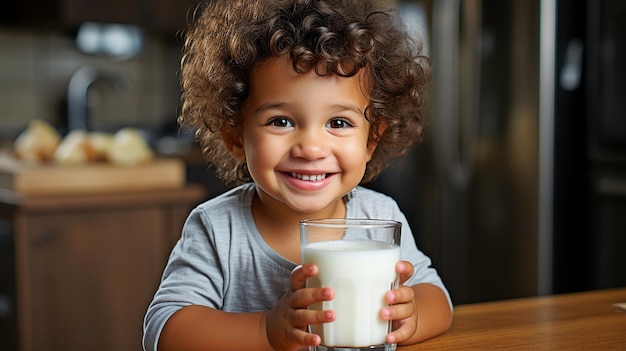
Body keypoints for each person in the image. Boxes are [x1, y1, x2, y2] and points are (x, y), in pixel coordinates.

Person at [143, 0, 453, 350]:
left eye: (338, 123)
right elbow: (165, 331)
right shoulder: (218, 229)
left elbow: (437, 299)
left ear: (371, 139)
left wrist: (411, 316)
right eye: (281, 121)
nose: (310, 147)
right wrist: (265, 330)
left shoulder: (379, 219)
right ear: (235, 137)